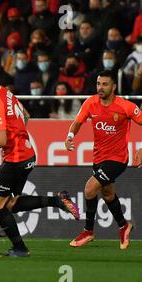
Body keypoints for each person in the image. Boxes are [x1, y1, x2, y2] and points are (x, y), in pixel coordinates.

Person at [0, 62, 79, 257]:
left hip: (16, 158)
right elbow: (26, 115)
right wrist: (18, 136)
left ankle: (20, 248)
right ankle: (58, 200)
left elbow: (1, 139)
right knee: (10, 204)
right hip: (28, 154)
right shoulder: (5, 92)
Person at [65, 70, 142, 249]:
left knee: (90, 189)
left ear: (114, 87)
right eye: (98, 84)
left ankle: (88, 231)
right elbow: (77, 122)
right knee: (107, 194)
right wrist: (70, 136)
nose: (100, 87)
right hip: (99, 158)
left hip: (118, 159)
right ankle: (124, 226)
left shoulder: (125, 106)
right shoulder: (91, 103)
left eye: (105, 84)